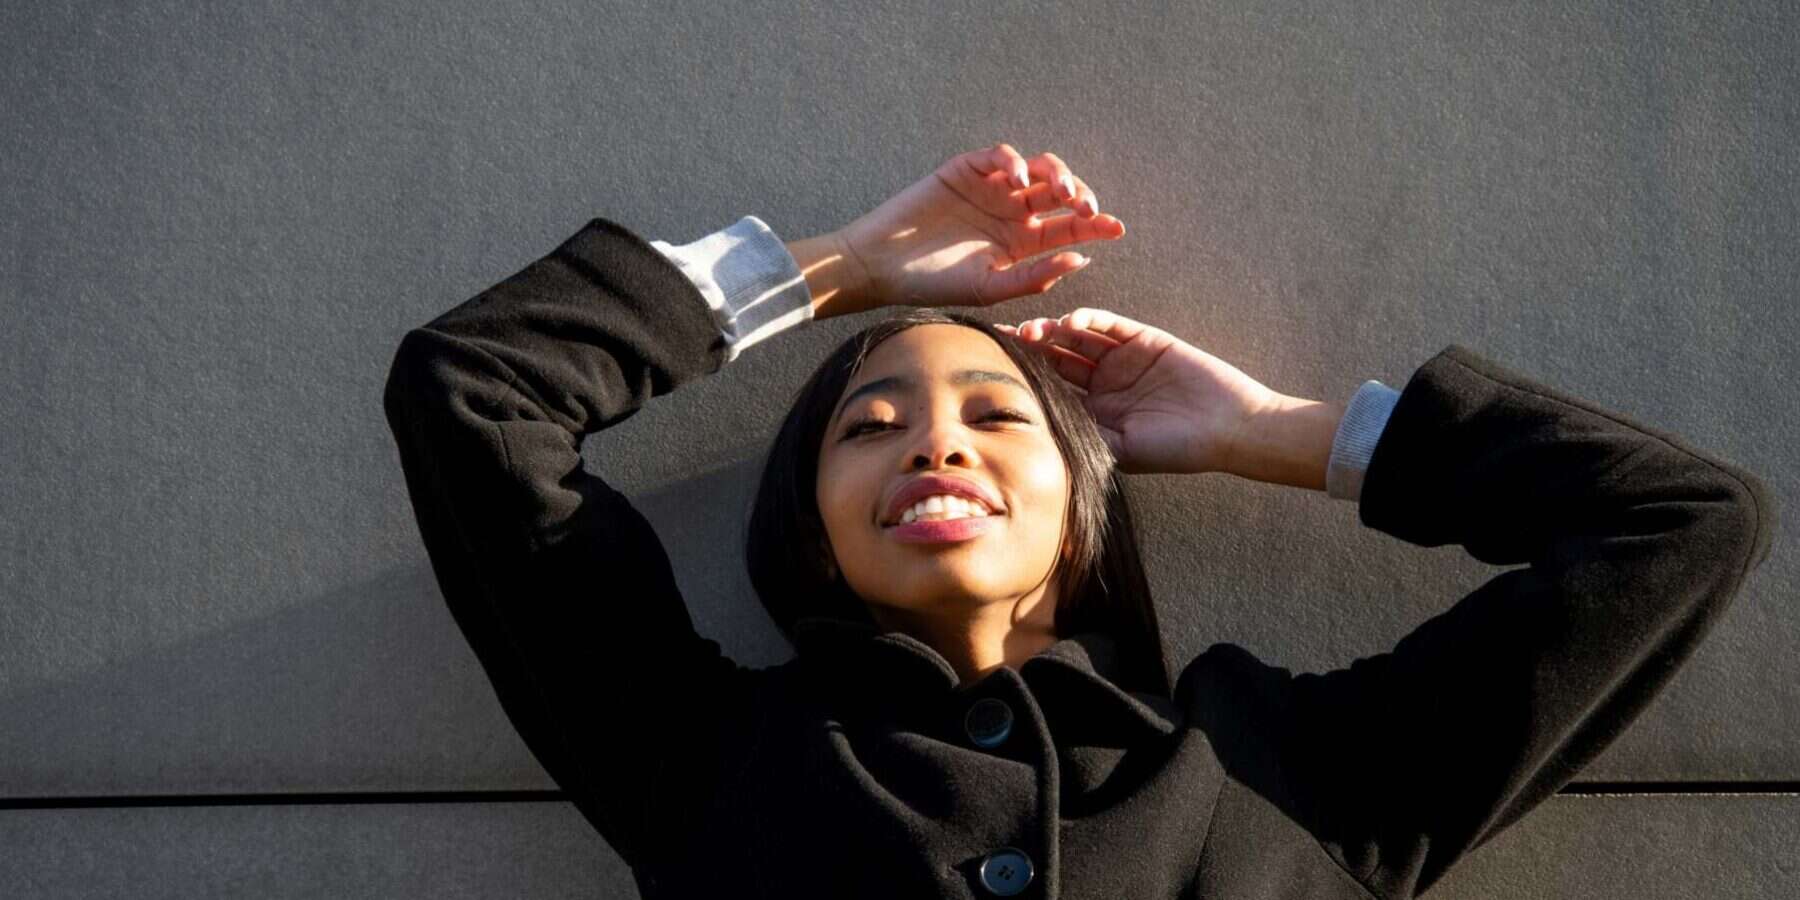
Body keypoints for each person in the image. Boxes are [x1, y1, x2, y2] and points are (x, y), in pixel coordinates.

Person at [382, 144, 1774, 899]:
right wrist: (842, 270)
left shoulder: (1288, 772)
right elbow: (473, 394)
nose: (931, 435)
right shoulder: (704, 756)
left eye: (998, 416)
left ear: (1083, 505)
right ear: (807, 526)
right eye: (868, 425)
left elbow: (1680, 524)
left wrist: (1275, 433)